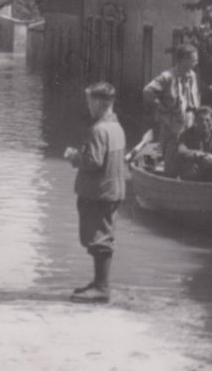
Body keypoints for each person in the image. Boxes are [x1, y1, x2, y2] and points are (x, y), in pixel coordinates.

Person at [64, 82, 126, 304]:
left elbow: (93, 162)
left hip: (99, 192)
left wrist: (74, 157)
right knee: (102, 235)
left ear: (99, 103)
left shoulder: (99, 130)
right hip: (112, 190)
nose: (88, 106)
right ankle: (99, 283)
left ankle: (101, 287)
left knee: (99, 238)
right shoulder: (116, 127)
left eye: (89, 101)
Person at [143, 44, 200, 176]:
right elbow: (147, 92)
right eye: (194, 60)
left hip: (188, 124)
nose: (196, 63)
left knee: (187, 159)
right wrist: (162, 107)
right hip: (172, 126)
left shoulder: (192, 76)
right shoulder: (167, 77)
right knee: (171, 160)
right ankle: (169, 182)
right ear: (183, 59)